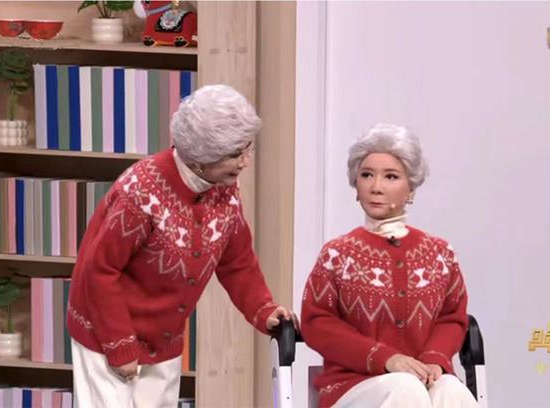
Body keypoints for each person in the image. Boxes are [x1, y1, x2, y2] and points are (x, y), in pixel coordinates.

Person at [67, 84, 294, 408]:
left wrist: (264, 310)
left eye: (247, 149)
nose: (245, 162)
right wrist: (119, 345)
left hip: (163, 337)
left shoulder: (224, 190)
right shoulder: (141, 192)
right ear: (201, 158)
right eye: (235, 154)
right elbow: (99, 270)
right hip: (105, 330)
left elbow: (237, 262)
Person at [301, 124, 477, 408]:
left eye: (391, 176)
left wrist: (434, 358)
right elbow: (317, 323)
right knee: (405, 387)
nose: (376, 187)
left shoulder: (440, 254)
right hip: (352, 387)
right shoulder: (337, 254)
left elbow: (452, 317)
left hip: (424, 379)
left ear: (411, 188)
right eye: (366, 175)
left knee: (451, 390)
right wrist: (385, 358)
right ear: (356, 185)